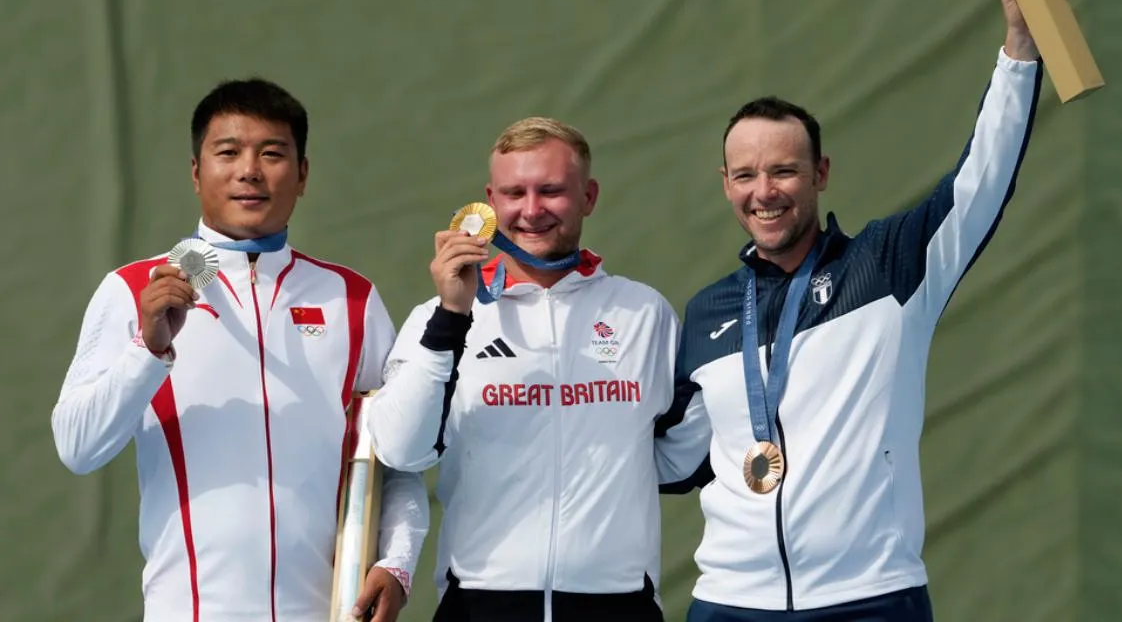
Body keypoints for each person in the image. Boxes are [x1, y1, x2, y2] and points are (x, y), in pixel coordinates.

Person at [653, 0, 1071, 621]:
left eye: (784, 171)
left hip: (870, 598)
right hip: (729, 605)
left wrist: (1020, 49)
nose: (765, 193)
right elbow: (671, 463)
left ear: (820, 173)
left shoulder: (888, 268)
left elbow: (981, 180)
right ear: (726, 184)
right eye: (746, 175)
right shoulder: (709, 313)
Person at [51, 79, 429, 622]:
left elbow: (397, 461)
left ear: (301, 174)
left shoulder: (352, 299)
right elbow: (77, 446)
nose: (249, 170)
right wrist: (148, 349)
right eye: (227, 152)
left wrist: (398, 563)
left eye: (272, 153)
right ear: (195, 171)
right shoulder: (134, 290)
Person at [366, 117, 679, 622]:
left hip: (618, 603)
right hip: (480, 602)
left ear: (589, 196)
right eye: (514, 193)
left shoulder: (644, 314)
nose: (532, 211)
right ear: (490, 201)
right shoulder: (437, 317)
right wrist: (453, 316)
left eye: (551, 190)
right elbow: (401, 449)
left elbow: (675, 452)